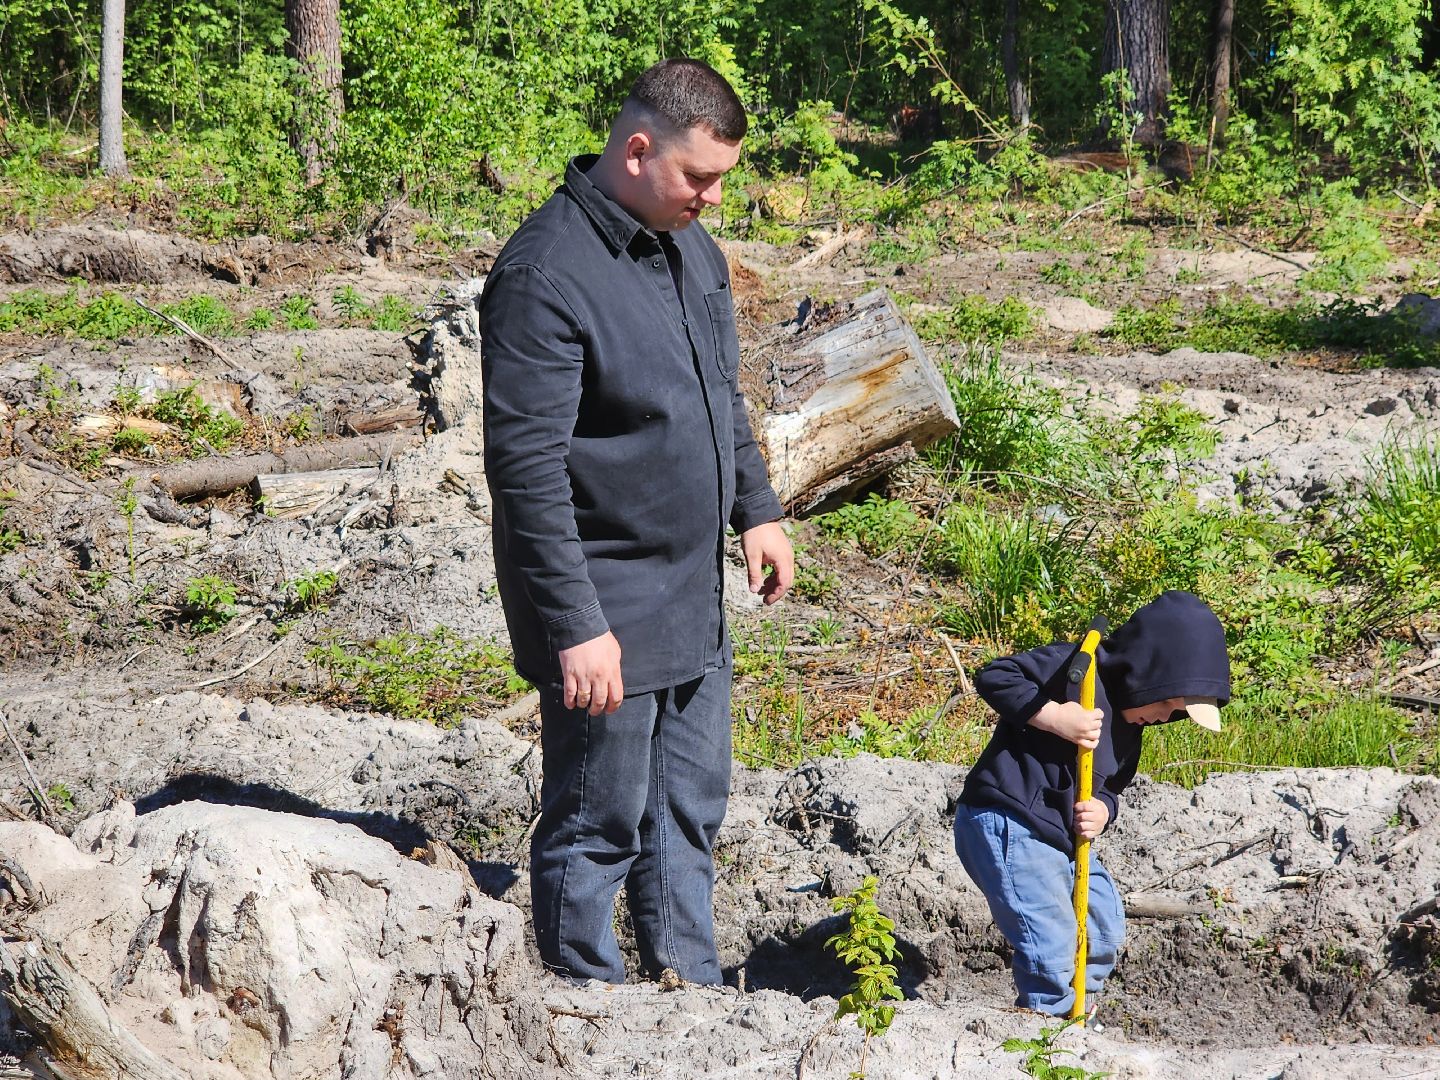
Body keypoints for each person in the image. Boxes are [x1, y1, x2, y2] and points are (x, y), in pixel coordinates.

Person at [479, 58, 793, 986]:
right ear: (638, 148)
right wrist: (577, 628)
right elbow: (525, 472)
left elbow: (717, 394)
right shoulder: (545, 274)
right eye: (700, 176)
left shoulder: (691, 248)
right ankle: (582, 1003)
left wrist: (758, 510)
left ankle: (687, 991)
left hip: (691, 588)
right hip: (604, 602)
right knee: (596, 821)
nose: (714, 195)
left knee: (689, 807)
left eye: (724, 178)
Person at [953, 590, 1231, 1016]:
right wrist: (1054, 716)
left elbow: (1111, 786)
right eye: (1167, 704)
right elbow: (996, 677)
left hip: (1060, 837)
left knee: (1103, 922)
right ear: (1147, 674)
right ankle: (1046, 1021)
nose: (1164, 717)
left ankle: (1079, 1008)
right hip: (1008, 821)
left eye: (1175, 713)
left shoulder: (1130, 731)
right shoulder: (1077, 671)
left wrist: (1104, 809)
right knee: (1049, 936)